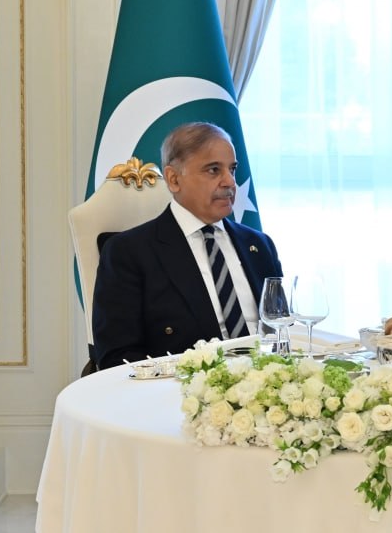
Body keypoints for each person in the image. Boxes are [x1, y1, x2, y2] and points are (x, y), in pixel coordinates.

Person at [92, 122, 283, 368]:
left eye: (232, 169)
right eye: (213, 170)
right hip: (179, 388)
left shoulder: (259, 245)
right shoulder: (129, 253)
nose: (229, 182)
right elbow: (117, 357)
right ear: (173, 179)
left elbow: (282, 333)